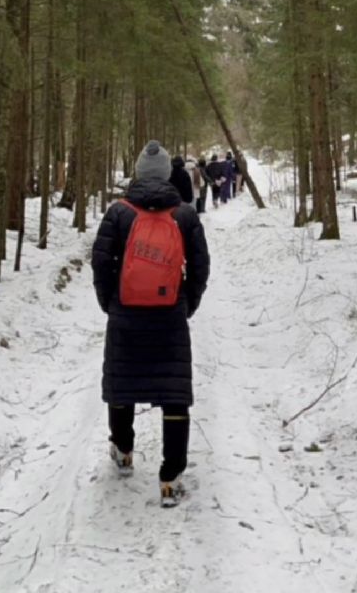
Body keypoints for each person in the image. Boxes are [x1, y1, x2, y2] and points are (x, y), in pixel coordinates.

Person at [91, 140, 210, 507]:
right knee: (174, 394)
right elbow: (201, 266)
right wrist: (186, 303)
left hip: (125, 312)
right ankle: (171, 477)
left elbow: (100, 262)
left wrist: (111, 302)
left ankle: (124, 450)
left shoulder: (118, 213)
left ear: (140, 173)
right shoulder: (185, 215)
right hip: (169, 313)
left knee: (123, 382)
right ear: (167, 176)